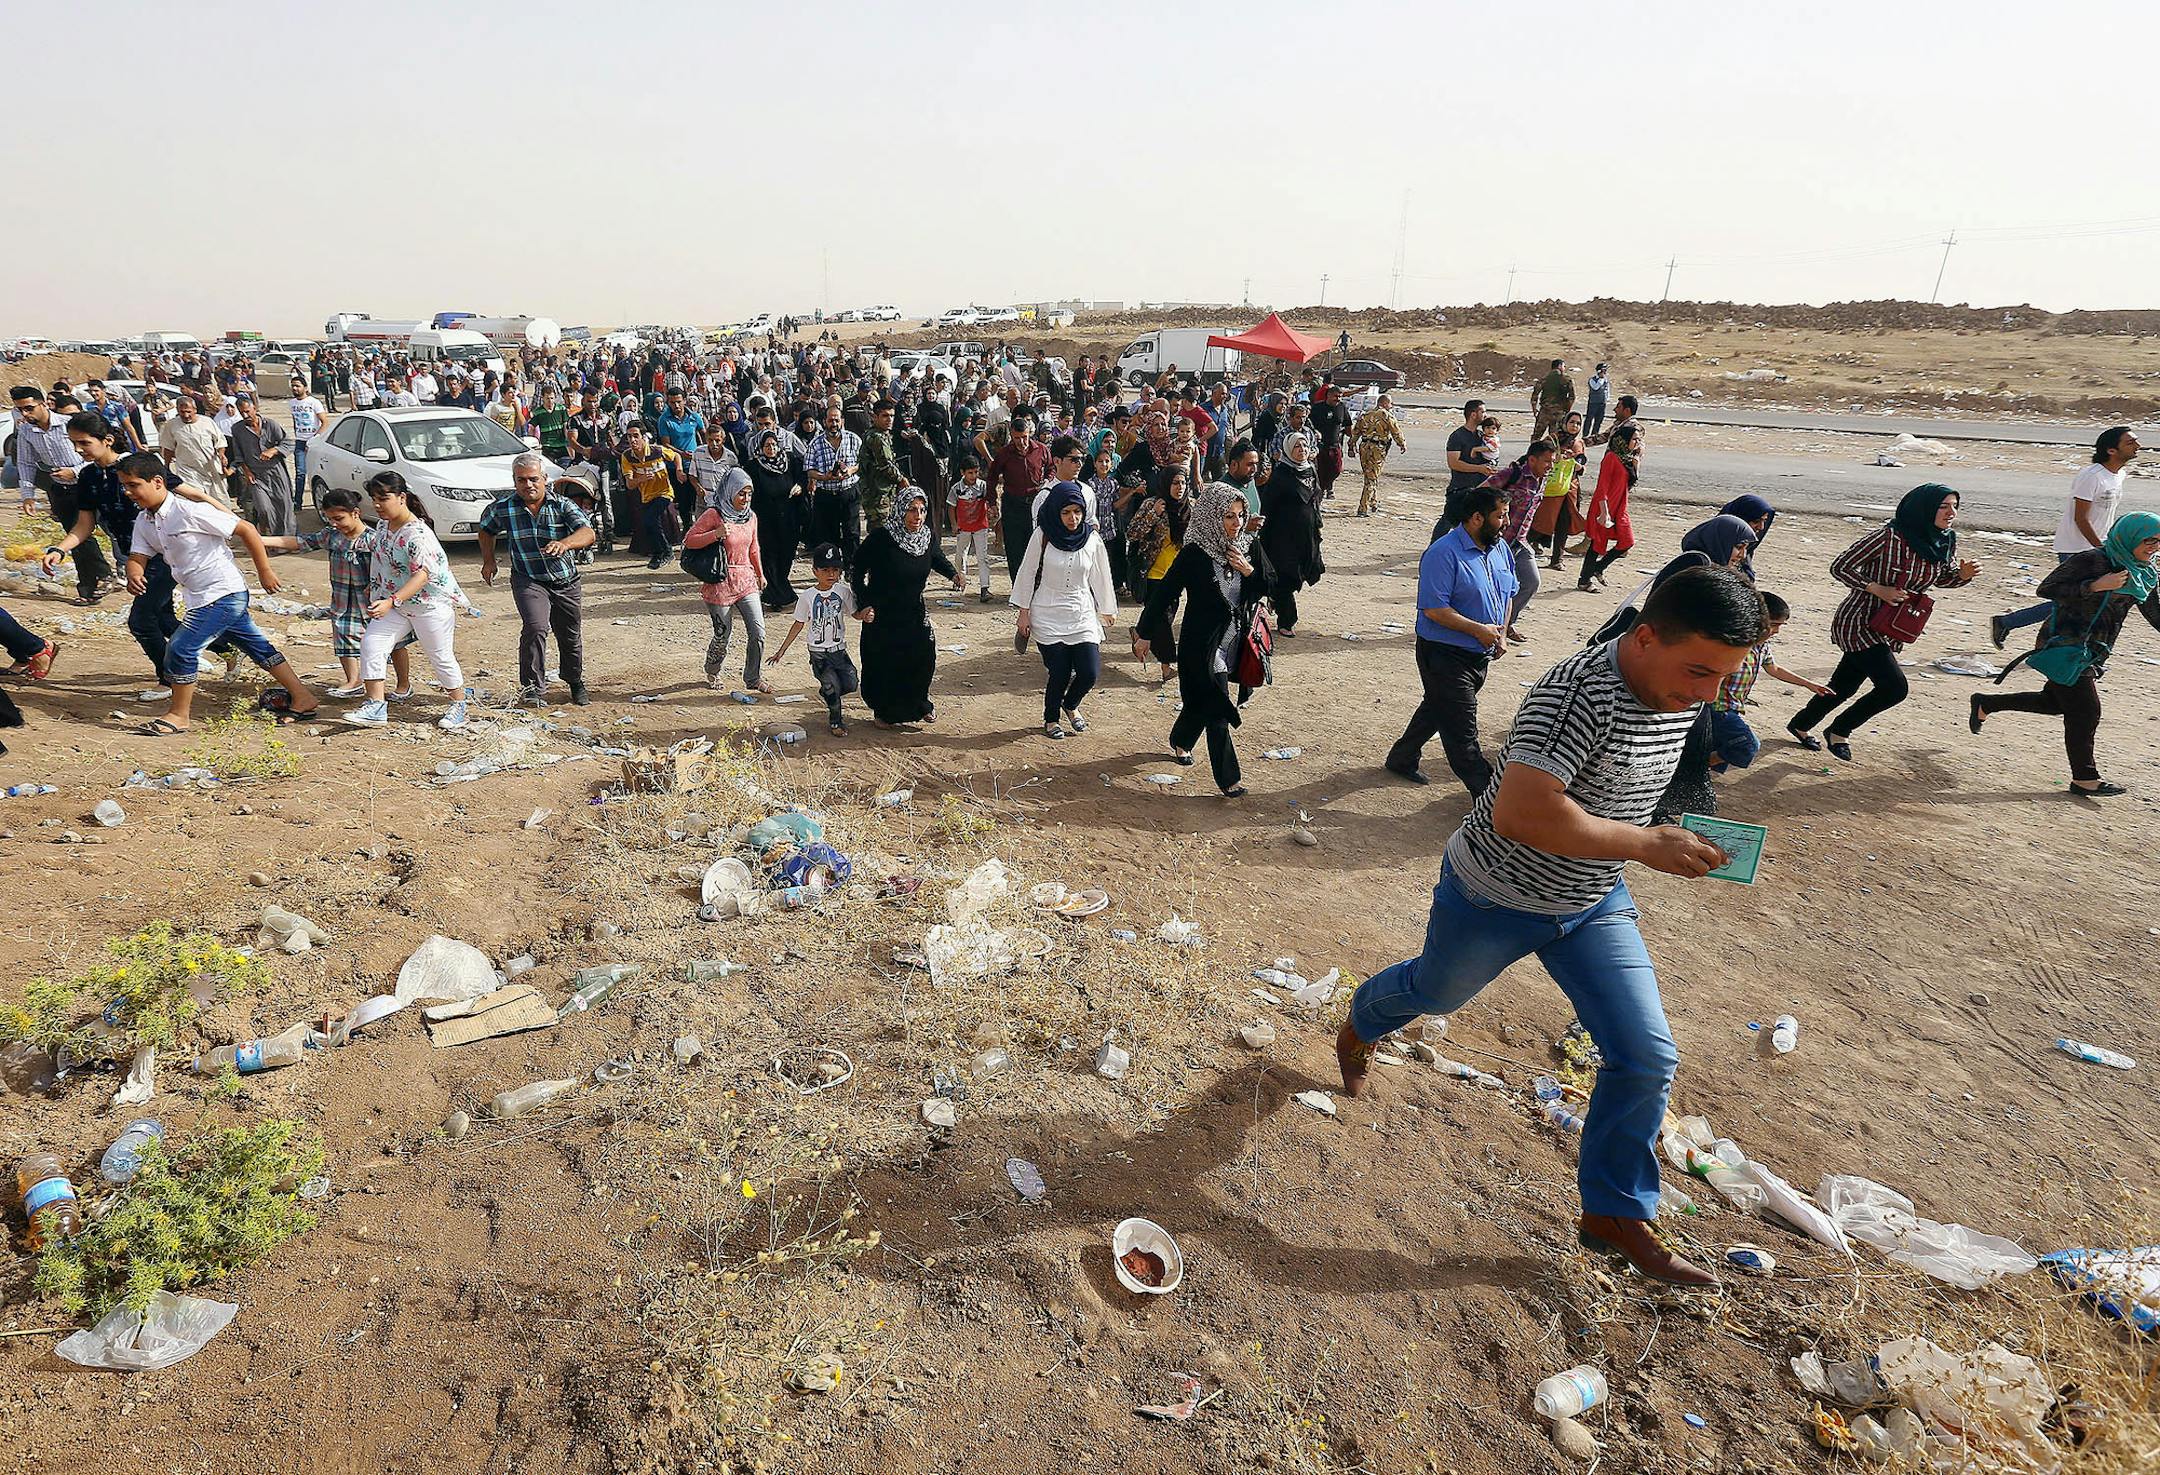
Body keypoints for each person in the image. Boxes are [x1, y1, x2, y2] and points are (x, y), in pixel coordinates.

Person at [1339, 565, 1767, 1290]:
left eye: (1722, 678)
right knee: (1435, 994)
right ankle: (1359, 1021)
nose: (1707, 694)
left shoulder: (1681, 690)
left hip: (1592, 899)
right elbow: (1521, 813)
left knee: (1645, 1055)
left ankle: (1614, 1211)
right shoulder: (1573, 694)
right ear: (1644, 637)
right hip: (1495, 895)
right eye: (1699, 671)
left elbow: (1668, 774)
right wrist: (1643, 843)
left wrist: (1684, 829)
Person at [114, 453, 320, 737]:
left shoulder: (191, 511)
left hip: (223, 593)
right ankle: (303, 698)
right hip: (200, 595)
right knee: (257, 647)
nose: (127, 492)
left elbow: (245, 529)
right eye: (124, 485)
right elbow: (139, 554)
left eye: (133, 485)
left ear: (158, 482)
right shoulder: (145, 520)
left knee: (181, 648)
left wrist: (264, 571)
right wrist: (134, 572)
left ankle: (179, 715)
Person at [1972, 511, 2160, 797]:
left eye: (2159, 542)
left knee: (2055, 703)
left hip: (2095, 649)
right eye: (2149, 540)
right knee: (2086, 711)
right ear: (2130, 536)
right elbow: (2047, 589)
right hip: (2065, 643)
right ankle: (2085, 779)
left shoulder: (2145, 572)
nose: (2154, 547)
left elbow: (2154, 613)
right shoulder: (2093, 560)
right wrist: (2095, 585)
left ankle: (1987, 703)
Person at [1788, 485, 1980, 763]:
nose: (1951, 513)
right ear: (1923, 509)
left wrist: (1962, 575)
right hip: (1860, 622)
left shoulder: (1944, 540)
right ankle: (1839, 730)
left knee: (1844, 685)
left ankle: (1800, 724)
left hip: (1891, 627)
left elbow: (1940, 578)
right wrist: (1875, 587)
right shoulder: (1888, 537)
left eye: (1954, 506)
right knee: (1894, 688)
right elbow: (1840, 566)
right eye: (1943, 507)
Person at [1135, 483, 1273, 796]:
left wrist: (1249, 571)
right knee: (1217, 707)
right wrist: (1144, 634)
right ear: (1211, 516)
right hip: (1201, 646)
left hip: (1234, 643)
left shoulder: (1249, 546)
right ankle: (1229, 779)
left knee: (1200, 703)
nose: (1236, 523)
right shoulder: (1194, 554)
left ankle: (1181, 739)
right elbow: (1164, 595)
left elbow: (1269, 584)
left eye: (1240, 515)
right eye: (1228, 516)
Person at [1384, 485, 1518, 793]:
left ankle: (1402, 758)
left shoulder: (1498, 548)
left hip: (1480, 651)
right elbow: (1434, 609)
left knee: (1437, 706)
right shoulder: (1442, 553)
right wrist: (1478, 630)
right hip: (1444, 655)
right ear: (1476, 518)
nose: (1507, 522)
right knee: (1463, 735)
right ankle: (1489, 800)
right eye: (1501, 516)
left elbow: (1509, 592)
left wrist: (1501, 632)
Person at [342, 472, 473, 730]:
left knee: (440, 657)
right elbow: (383, 558)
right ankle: (375, 706)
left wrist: (391, 600)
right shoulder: (383, 525)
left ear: (402, 497)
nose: (377, 504)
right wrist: (377, 586)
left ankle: (459, 705)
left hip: (428, 605)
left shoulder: (417, 534)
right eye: (374, 499)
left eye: (383, 498)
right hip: (397, 604)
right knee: (372, 644)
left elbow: (422, 574)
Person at [1991, 428, 2139, 650]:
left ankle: (2019, 627)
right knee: (2074, 598)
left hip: (2097, 545)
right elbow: (2081, 518)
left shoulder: (2118, 475)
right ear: (2111, 450)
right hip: (2076, 547)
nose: (2138, 446)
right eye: (2130, 443)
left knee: (2081, 598)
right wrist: (2101, 548)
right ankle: (2027, 631)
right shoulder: (2092, 476)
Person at [259, 487, 412, 700]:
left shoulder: (374, 540)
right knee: (343, 636)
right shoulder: (331, 536)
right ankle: (354, 680)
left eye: (339, 518)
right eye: (330, 518)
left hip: (374, 601)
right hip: (343, 599)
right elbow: (301, 542)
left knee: (393, 642)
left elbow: (394, 567)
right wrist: (260, 540)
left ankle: (403, 684)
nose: (334, 523)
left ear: (355, 513)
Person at [477, 452, 596, 705]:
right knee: (535, 627)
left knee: (569, 634)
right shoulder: (504, 507)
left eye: (533, 479)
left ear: (544, 479)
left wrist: (565, 544)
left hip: (565, 580)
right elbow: (486, 530)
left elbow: (587, 533)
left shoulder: (562, 505)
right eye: (522, 480)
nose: (528, 485)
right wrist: (488, 560)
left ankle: (574, 681)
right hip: (528, 579)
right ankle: (532, 689)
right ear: (514, 481)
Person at [1012, 482, 1117, 739]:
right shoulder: (1043, 535)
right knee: (1059, 671)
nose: (1073, 518)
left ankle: (1070, 705)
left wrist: (1107, 608)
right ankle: (1051, 719)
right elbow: (1026, 573)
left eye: (1078, 512)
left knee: (1089, 672)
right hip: (1047, 610)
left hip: (1081, 610)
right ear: (1056, 511)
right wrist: (1023, 612)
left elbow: (1101, 575)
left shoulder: (1091, 539)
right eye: (1066, 512)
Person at [851, 488, 962, 727]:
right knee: (885, 663)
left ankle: (920, 704)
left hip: (913, 610)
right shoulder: (882, 538)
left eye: (922, 510)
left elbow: (937, 557)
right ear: (901, 510)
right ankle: (884, 711)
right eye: (912, 510)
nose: (917, 516)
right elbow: (857, 570)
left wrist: (953, 574)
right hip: (882, 614)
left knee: (922, 657)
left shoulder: (926, 536)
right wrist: (864, 604)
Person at [1708, 592, 1834, 774]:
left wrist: (1809, 684)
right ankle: (1699, 767)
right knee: (1747, 744)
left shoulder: (1762, 646)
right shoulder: (1732, 643)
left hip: (1732, 707)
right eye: (1774, 625)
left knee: (1721, 745)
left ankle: (1700, 770)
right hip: (1717, 708)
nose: (1776, 631)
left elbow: (1774, 669)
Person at [10, 385, 114, 603]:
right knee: (75, 537)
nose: (25, 414)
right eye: (21, 410)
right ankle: (88, 589)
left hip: (88, 483)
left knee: (112, 528)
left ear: (44, 404)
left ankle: (113, 571)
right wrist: (27, 495)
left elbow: (95, 455)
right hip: (60, 489)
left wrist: (74, 471)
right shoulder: (27, 431)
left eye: (29, 408)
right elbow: (26, 463)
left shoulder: (69, 425)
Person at [682, 468, 770, 693]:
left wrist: (760, 574)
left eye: (749, 494)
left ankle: (753, 677)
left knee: (758, 632)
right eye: (741, 493)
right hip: (719, 582)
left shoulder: (751, 517)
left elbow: (754, 548)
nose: (746, 498)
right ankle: (713, 671)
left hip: (745, 580)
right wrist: (715, 534)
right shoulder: (714, 514)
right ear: (730, 491)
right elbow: (689, 540)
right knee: (723, 635)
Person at [767, 543, 866, 735]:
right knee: (831, 686)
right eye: (825, 569)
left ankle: (828, 693)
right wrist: (781, 650)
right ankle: (835, 721)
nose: (831, 574)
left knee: (851, 683)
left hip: (839, 650)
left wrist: (865, 614)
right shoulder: (808, 597)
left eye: (835, 570)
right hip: (819, 653)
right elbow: (798, 624)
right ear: (815, 571)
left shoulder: (843, 592)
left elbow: (854, 613)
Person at [1259, 433, 1324, 637]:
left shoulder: (1310, 471)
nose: (1302, 449)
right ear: (1288, 449)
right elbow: (1268, 506)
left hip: (1305, 534)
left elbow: (1315, 498)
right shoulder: (1281, 475)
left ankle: (1274, 597)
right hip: (1283, 536)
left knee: (1301, 573)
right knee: (1286, 575)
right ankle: (1287, 620)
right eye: (1297, 446)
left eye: (1304, 445)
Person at [746, 427, 809, 611]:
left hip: (788, 518)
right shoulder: (754, 466)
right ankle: (776, 596)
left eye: (774, 445)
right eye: (767, 445)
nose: (771, 449)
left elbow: (802, 477)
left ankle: (780, 586)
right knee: (769, 555)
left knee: (786, 554)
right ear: (761, 447)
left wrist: (799, 486)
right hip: (766, 519)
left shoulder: (789, 461)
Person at [985, 413, 1048, 581]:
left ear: (1030, 434)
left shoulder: (1041, 449)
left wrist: (1048, 481)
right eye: (1017, 438)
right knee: (1014, 549)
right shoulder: (1004, 453)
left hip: (1035, 505)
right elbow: (991, 477)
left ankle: (1035, 586)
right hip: (1012, 505)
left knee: (1035, 546)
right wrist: (991, 502)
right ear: (1012, 436)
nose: (1021, 442)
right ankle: (1017, 588)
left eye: (1024, 437)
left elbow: (1051, 467)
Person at [1578, 423, 1640, 590]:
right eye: (1634, 439)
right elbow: (1602, 487)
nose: (1637, 442)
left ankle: (1598, 568)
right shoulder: (1611, 458)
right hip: (1604, 507)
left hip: (1620, 507)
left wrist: (1636, 466)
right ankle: (1584, 580)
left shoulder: (1627, 459)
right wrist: (1604, 513)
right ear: (1623, 440)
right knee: (1597, 543)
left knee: (1627, 541)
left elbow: (1630, 485)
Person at [227, 397, 295, 538]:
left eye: (247, 411)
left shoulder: (270, 425)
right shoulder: (237, 429)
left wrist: (274, 450)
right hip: (256, 476)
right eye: (242, 413)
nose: (245, 415)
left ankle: (286, 540)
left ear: (255, 409)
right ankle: (264, 533)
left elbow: (288, 443)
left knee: (284, 506)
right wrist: (246, 472)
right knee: (263, 509)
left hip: (276, 472)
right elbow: (239, 455)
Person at [804, 407, 864, 565]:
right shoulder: (815, 443)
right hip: (826, 495)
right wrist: (825, 477)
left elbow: (862, 462)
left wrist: (850, 470)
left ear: (842, 421)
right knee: (829, 536)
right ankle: (833, 567)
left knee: (852, 533)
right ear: (824, 422)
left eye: (837, 420)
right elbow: (809, 470)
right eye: (830, 420)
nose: (834, 424)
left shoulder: (853, 439)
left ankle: (852, 569)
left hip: (849, 492)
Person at [618, 423, 683, 568]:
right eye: (629, 436)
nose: (632, 440)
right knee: (649, 523)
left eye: (636, 436)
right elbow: (629, 484)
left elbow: (676, 456)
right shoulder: (627, 456)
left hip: (664, 492)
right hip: (646, 495)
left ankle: (666, 551)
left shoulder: (657, 450)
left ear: (643, 437)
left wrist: (679, 470)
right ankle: (659, 553)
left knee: (650, 519)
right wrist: (641, 479)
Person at [1532, 413, 1587, 569]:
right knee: (1543, 521)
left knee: (1564, 523)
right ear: (1564, 423)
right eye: (1571, 422)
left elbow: (1582, 465)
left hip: (1570, 489)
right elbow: (1539, 456)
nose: (1574, 426)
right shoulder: (1552, 439)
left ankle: (1557, 560)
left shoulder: (1578, 443)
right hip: (1552, 488)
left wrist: (1577, 465)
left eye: (1578, 423)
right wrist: (1556, 458)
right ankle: (1518, 547)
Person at [857, 398, 911, 533]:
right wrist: (901, 479)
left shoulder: (881, 435)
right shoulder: (877, 438)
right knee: (881, 534)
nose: (889, 419)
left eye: (892, 416)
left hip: (880, 492)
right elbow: (886, 465)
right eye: (885, 416)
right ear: (875, 417)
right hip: (877, 495)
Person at [1440, 400, 1495, 531]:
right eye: (1482, 411)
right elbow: (1453, 463)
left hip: (1479, 488)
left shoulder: (1482, 436)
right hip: (1460, 488)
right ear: (1473, 414)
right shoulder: (1457, 436)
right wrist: (1479, 469)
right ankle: (1434, 550)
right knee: (1448, 523)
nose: (1485, 415)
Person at [1352, 392, 1407, 517]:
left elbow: (1356, 431)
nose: (1391, 406)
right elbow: (1396, 431)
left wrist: (1352, 445)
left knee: (1369, 475)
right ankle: (1363, 507)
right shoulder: (1386, 416)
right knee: (1371, 478)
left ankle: (1373, 502)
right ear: (1384, 403)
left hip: (1364, 447)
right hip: (1377, 448)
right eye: (1390, 403)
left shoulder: (1365, 414)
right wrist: (1402, 444)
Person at [1715, 494, 1777, 581]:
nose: (1761, 527)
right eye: (1756, 521)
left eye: (1764, 521)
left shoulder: (1745, 550)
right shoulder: (1708, 553)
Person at [1307, 383, 1349, 500]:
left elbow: (1347, 424)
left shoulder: (1341, 407)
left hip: (1335, 446)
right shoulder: (1317, 408)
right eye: (1336, 396)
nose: (1338, 399)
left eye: (1340, 396)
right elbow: (1308, 425)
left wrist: (1352, 443)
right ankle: (1319, 493)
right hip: (1320, 447)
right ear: (1328, 396)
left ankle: (1325, 487)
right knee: (1320, 471)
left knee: (1336, 469)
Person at [1678, 513, 1757, 576]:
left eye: (1745, 548)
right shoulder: (1698, 565)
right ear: (1720, 542)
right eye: (1739, 547)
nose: (1743, 555)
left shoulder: (1716, 568)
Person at [288, 382, 327, 504]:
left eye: (298, 386)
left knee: (320, 472)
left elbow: (324, 422)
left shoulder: (314, 402)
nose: (295, 388)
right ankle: (298, 502)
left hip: (315, 442)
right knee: (300, 473)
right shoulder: (292, 403)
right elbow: (295, 421)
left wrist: (315, 439)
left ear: (305, 388)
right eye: (293, 386)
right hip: (300, 441)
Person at [1533, 359, 1575, 443]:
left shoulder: (1544, 378)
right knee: (1555, 438)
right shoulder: (1567, 379)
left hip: (1544, 412)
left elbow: (1535, 395)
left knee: (1536, 437)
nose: (1564, 368)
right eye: (1563, 366)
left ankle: (1533, 454)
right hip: (1558, 413)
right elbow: (1572, 397)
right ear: (1559, 366)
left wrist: (1534, 409)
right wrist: (1567, 410)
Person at [1583, 363, 1610, 440]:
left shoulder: (1605, 380)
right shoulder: (1592, 380)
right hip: (1593, 403)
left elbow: (1607, 389)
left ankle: (1594, 435)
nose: (1605, 372)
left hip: (1602, 403)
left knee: (1599, 420)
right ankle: (1585, 435)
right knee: (1589, 419)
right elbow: (1595, 387)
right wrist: (1601, 379)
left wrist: (1606, 398)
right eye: (1604, 370)